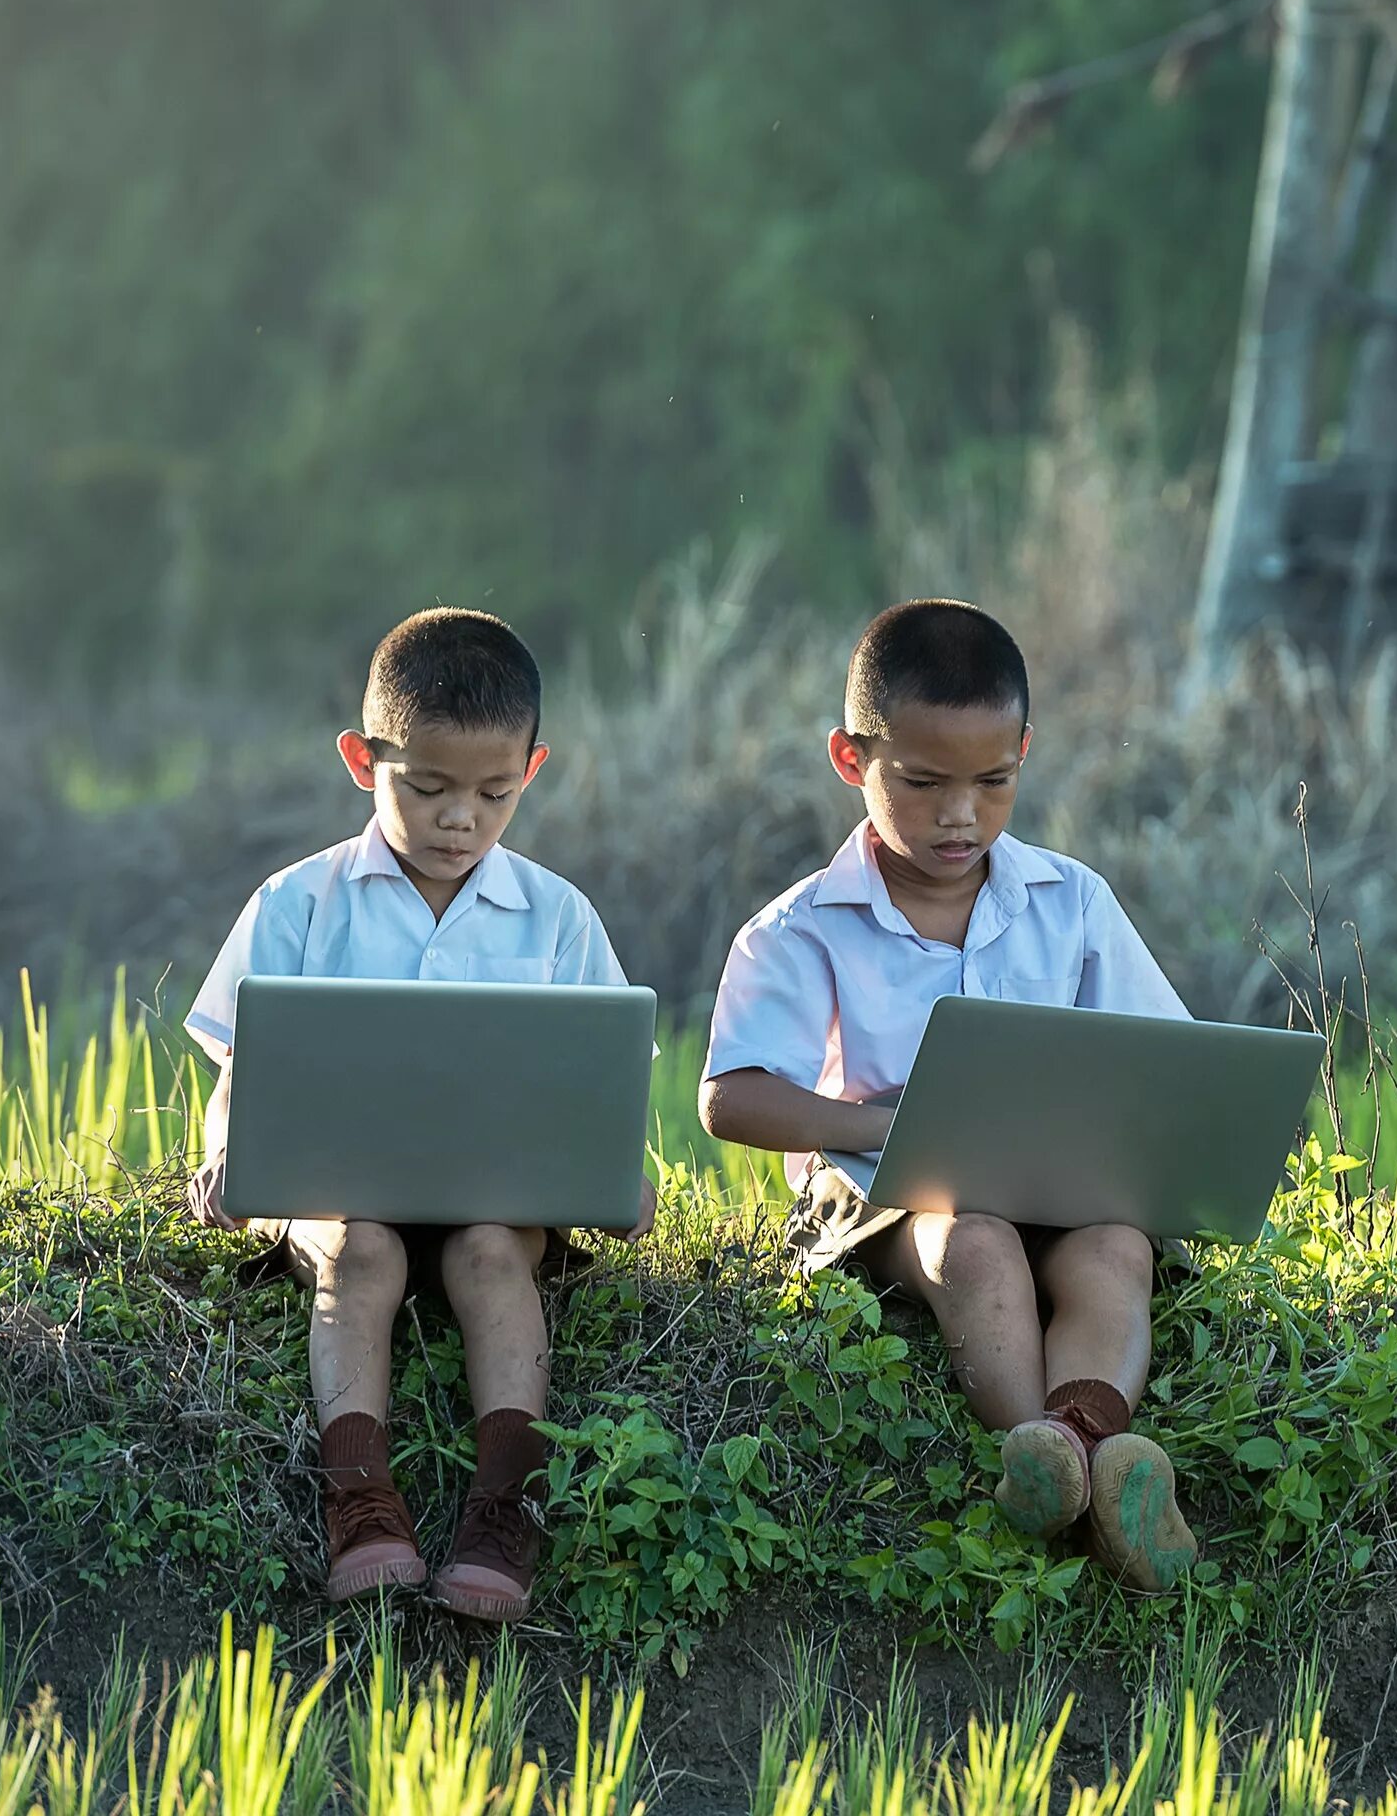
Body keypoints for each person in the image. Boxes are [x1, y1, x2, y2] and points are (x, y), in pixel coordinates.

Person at [695, 599, 1198, 1591]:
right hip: (888, 1181)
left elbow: (1163, 1055)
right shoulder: (803, 928)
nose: (960, 815)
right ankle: (1066, 1457)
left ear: (1024, 753)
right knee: (969, 1241)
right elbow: (733, 1097)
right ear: (853, 759)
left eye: (993, 782)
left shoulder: (1071, 901)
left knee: (1115, 1247)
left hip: (1052, 1171)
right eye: (922, 784)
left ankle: (1074, 1447)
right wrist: (882, 1126)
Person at [184, 607, 646, 1623]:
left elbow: (596, 1078)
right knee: (362, 1252)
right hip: (336, 1186)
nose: (459, 821)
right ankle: (359, 1496)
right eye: (427, 788)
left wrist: (619, 1175)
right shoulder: (298, 904)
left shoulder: (560, 917)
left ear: (534, 766)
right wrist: (225, 1153)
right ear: (363, 759)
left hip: (495, 1191)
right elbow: (238, 1064)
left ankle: (506, 1501)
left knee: (492, 1253)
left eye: (494, 794)